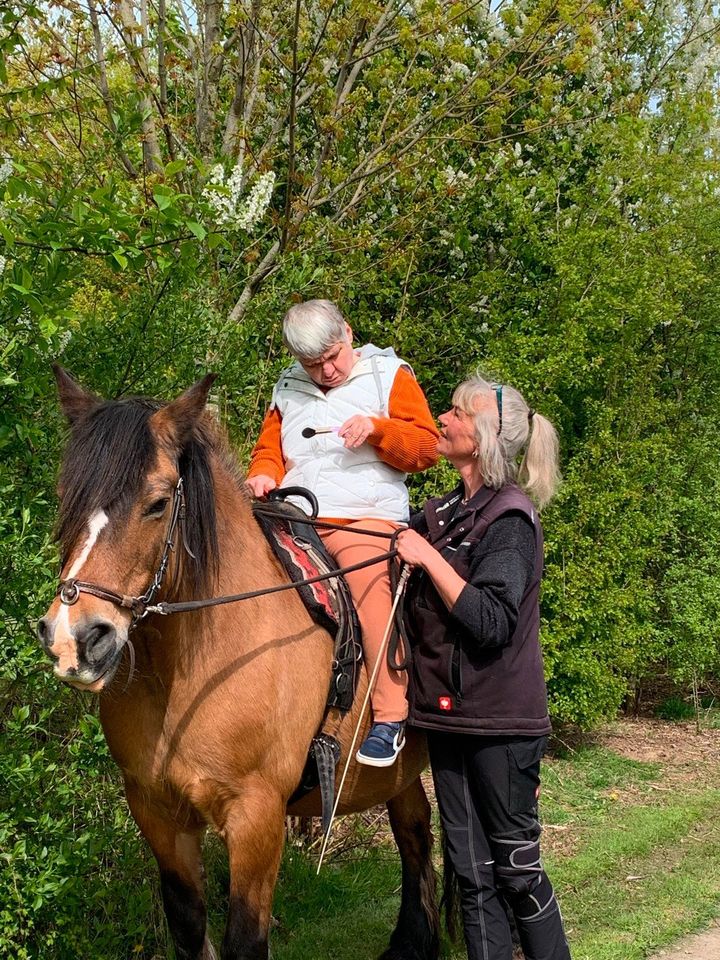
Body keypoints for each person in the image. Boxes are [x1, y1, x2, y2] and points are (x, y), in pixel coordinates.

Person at [396, 374, 571, 960]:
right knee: (470, 877)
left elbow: (491, 619)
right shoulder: (447, 510)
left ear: (484, 435)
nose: (441, 420)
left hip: (503, 725)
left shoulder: (510, 519)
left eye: (453, 413)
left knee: (516, 872)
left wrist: (425, 558)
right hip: (449, 720)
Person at [246, 299, 438, 766]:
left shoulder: (388, 375)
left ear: (348, 333)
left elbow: (427, 448)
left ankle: (390, 717)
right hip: (294, 519)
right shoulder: (287, 387)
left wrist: (376, 430)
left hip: (363, 520)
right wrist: (263, 474)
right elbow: (268, 451)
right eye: (313, 364)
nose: (327, 370)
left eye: (332, 356)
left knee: (369, 588)